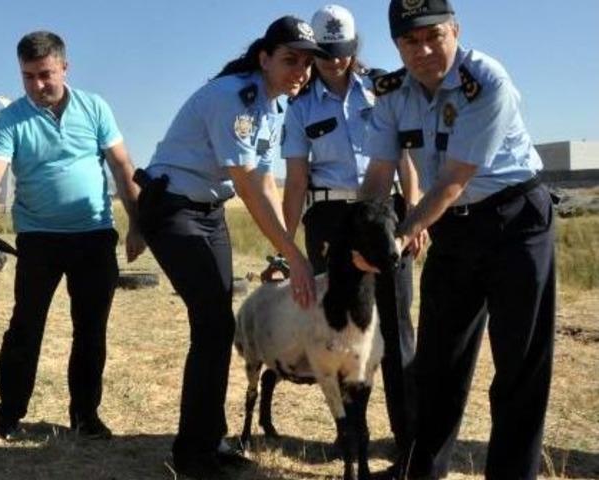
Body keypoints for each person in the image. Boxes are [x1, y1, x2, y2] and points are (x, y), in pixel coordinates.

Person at [360, 1, 556, 478]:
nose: (424, 49)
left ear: (455, 30)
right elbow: (379, 173)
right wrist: (368, 230)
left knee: (518, 365)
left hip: (516, 222)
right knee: (437, 364)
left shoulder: (485, 81)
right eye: (410, 40)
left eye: (434, 35)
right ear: (396, 45)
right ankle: (423, 471)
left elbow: (451, 180)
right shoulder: (390, 93)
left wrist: (400, 237)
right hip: (453, 228)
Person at [137, 16, 321, 479]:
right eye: (290, 59)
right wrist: (296, 259)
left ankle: (209, 440)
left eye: (307, 63)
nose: (300, 70)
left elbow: (267, 182)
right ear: (264, 58)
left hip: (207, 212)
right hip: (174, 209)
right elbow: (248, 186)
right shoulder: (233, 98)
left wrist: (284, 248)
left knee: (217, 325)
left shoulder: (272, 106)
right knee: (214, 323)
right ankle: (191, 453)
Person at [0, 31, 143, 443]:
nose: (37, 85)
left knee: (91, 329)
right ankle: (7, 415)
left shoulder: (95, 107)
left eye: (45, 74)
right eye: (28, 76)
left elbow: (122, 166)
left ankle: (85, 416)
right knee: (24, 327)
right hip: (38, 239)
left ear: (64, 68)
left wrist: (139, 224)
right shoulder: (11, 117)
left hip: (94, 236)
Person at [281, 4, 421, 469]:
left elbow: (405, 156)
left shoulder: (384, 89)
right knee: (335, 333)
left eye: (341, 52)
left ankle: (410, 439)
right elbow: (296, 179)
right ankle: (350, 435)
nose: (333, 61)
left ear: (354, 48)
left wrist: (415, 214)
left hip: (382, 213)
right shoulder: (300, 106)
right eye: (323, 53)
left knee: (397, 326)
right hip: (328, 219)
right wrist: (287, 245)